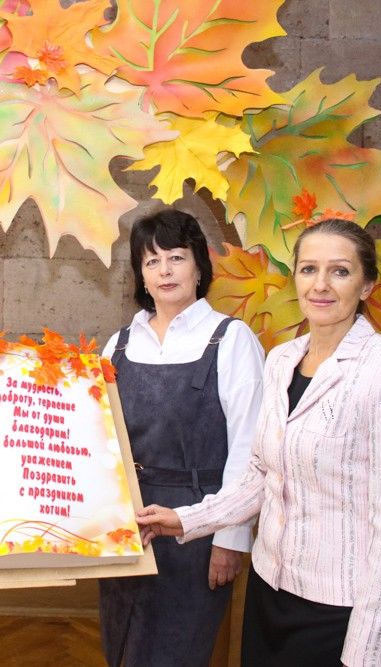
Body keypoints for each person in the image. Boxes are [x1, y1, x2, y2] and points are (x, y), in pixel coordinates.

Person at [136, 218, 381, 666]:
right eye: (309, 269)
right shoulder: (282, 360)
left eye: (340, 271)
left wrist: (366, 653)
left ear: (367, 285)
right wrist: (183, 519)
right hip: (269, 589)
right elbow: (260, 475)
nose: (321, 285)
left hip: (339, 609)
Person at [98, 209, 265, 666]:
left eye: (176, 257)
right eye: (151, 261)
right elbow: (100, 440)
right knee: (121, 649)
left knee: (176, 653)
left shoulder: (231, 339)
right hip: (130, 524)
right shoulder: (118, 344)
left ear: (198, 267)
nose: (165, 271)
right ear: (141, 275)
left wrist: (230, 539)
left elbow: (250, 449)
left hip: (199, 525)